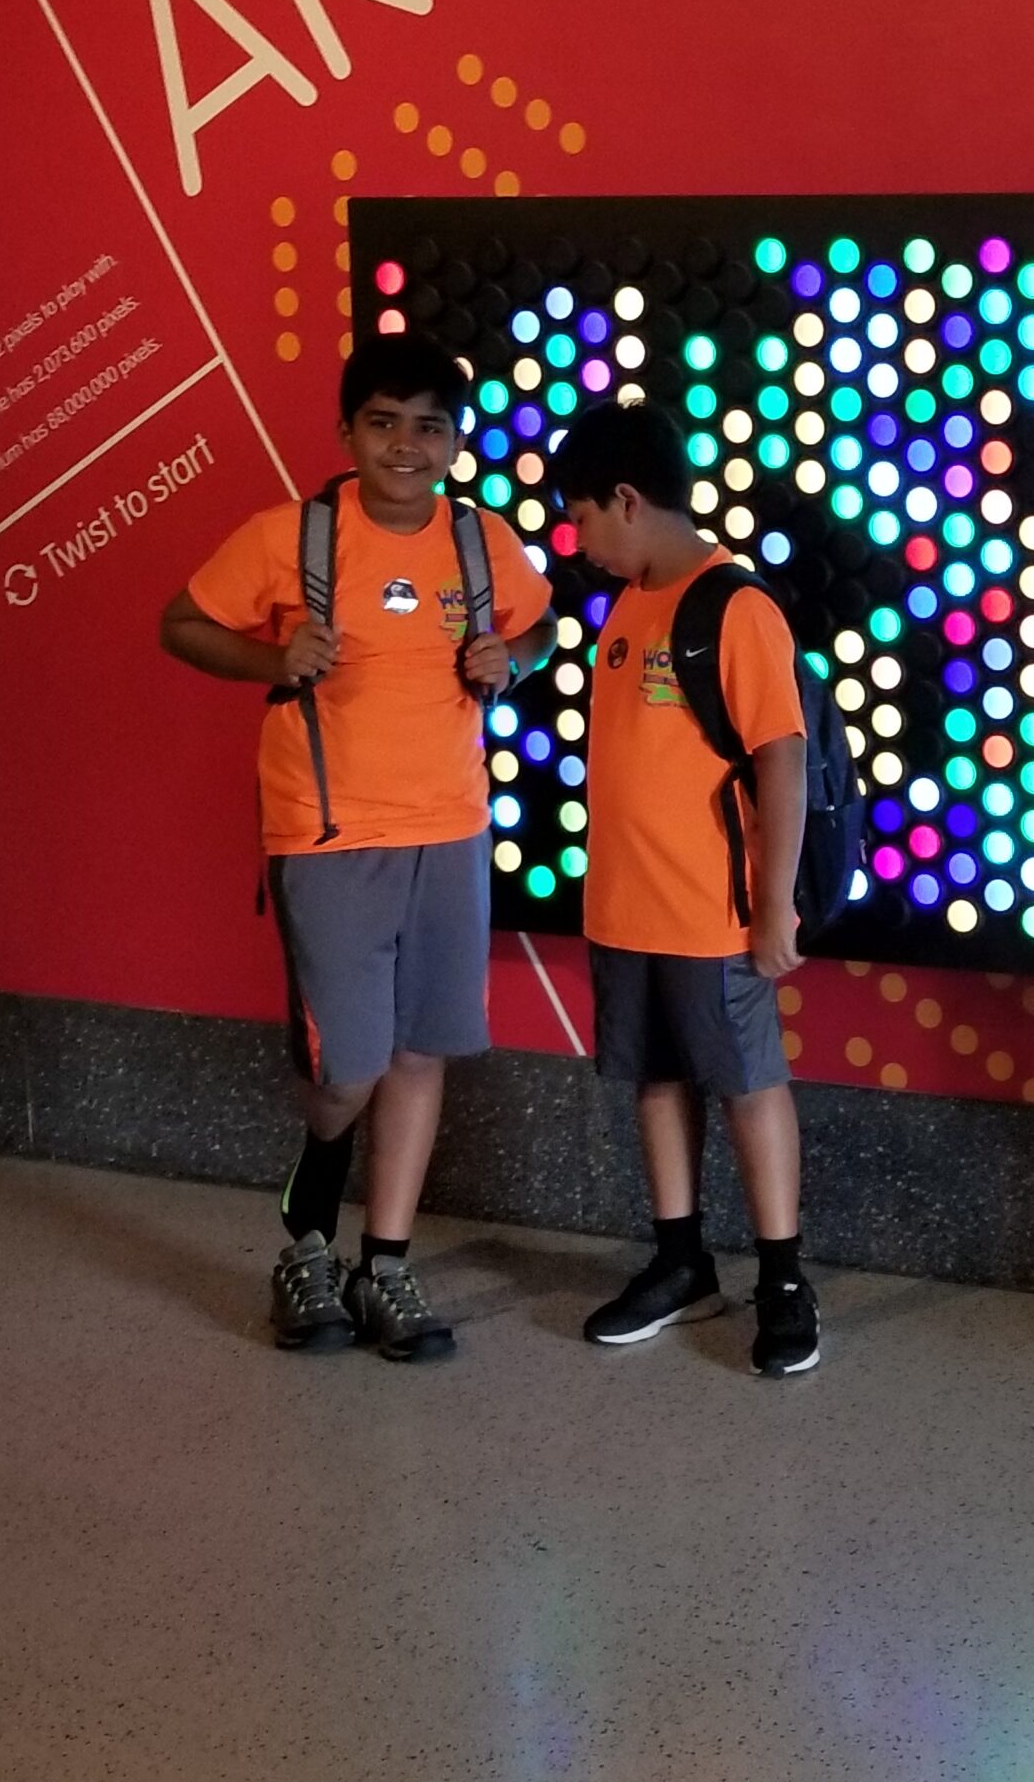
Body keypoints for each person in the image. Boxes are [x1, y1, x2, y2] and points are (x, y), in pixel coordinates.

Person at [160, 332, 554, 1360]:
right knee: (347, 1070)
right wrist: (270, 653)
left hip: (452, 831)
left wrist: (507, 656)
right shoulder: (292, 537)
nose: (406, 446)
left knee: (421, 1051)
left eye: (429, 426)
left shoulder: (480, 542)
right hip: (327, 834)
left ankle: (384, 1262)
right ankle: (310, 1214)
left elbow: (540, 626)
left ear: (457, 441)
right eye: (384, 423)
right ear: (346, 433)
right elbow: (181, 624)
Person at [551, 399, 820, 1377]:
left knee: (748, 1085)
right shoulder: (625, 607)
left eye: (581, 517)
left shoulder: (732, 607)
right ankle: (680, 1259)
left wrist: (776, 903)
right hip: (625, 913)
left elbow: (781, 761)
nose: (577, 541)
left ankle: (784, 1277)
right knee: (656, 1080)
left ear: (627, 499)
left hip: (715, 917)